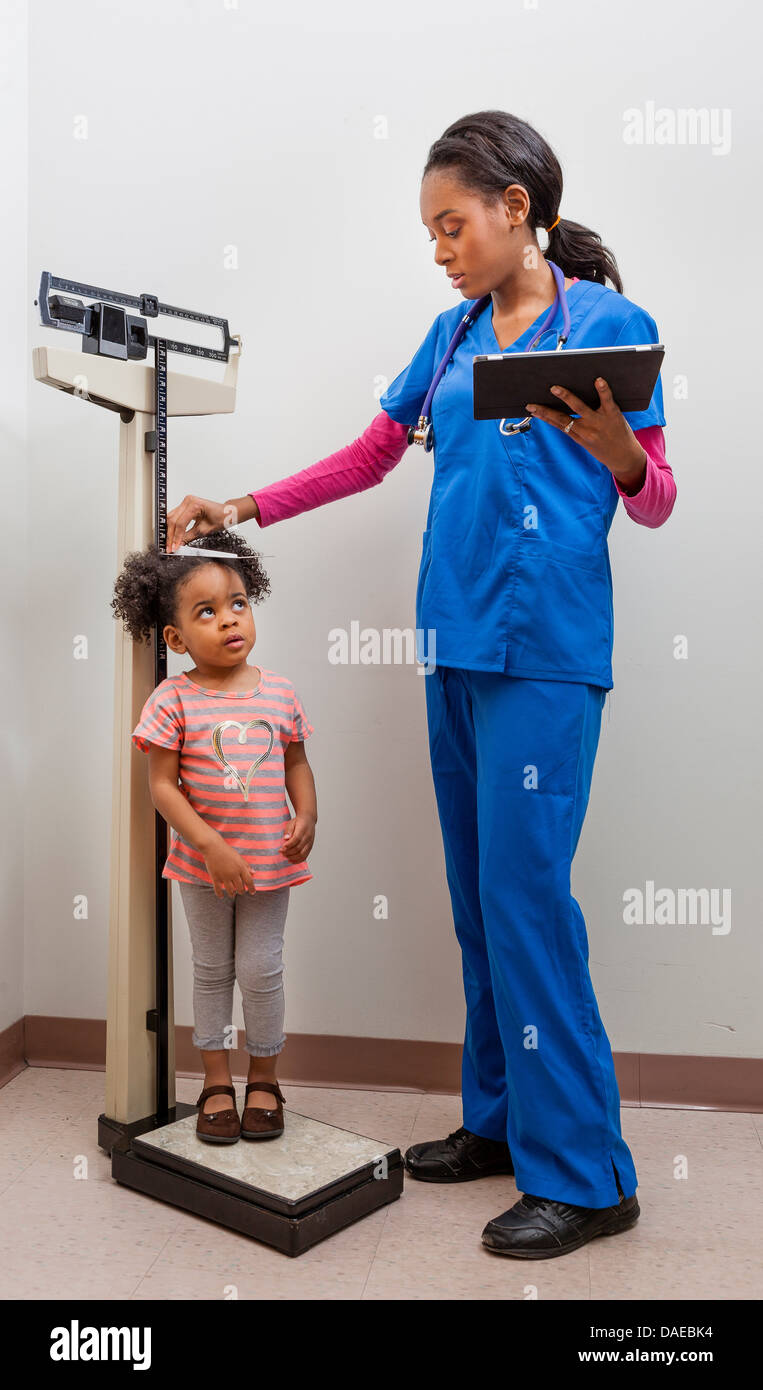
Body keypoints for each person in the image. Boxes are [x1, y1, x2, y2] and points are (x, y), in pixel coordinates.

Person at [164, 110, 676, 1258]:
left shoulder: (607, 323)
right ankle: (500, 1124)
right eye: (428, 231)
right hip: (451, 645)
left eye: (453, 225)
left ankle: (589, 1174)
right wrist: (239, 504)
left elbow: (656, 499)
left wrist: (620, 452)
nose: (440, 248)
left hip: (545, 653)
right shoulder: (448, 340)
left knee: (527, 903)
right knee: (475, 904)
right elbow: (368, 452)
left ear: (516, 208)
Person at [111, 530, 317, 1145]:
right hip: (203, 868)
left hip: (269, 865)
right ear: (174, 639)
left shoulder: (278, 691)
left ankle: (265, 1078)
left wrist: (307, 815)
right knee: (210, 970)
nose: (229, 619)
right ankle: (215, 1082)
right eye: (207, 612)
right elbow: (163, 788)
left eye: (237, 603)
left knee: (261, 970)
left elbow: (297, 762)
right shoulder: (172, 697)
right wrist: (211, 846)